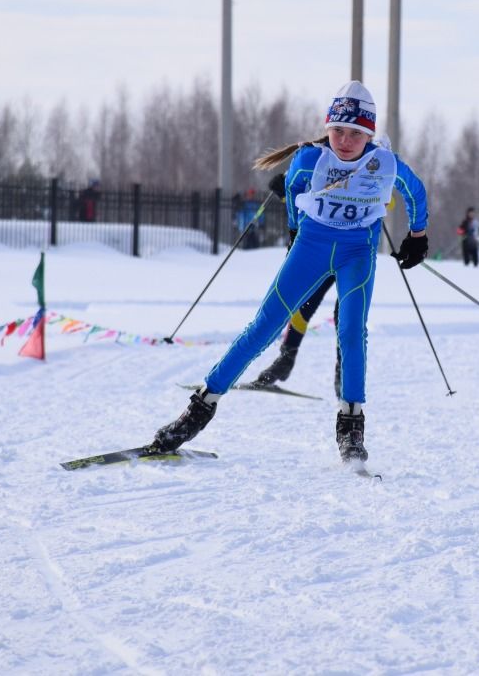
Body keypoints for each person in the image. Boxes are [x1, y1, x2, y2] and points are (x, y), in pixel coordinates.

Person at [150, 81, 429, 463]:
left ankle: (351, 428)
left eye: (356, 133)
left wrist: (418, 235)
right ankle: (199, 409)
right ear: (327, 128)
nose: (345, 141)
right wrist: (297, 232)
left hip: (357, 253)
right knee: (263, 326)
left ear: (370, 134)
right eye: (338, 131)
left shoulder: (384, 164)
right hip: (311, 247)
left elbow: (415, 192)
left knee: (350, 331)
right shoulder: (311, 159)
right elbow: (296, 189)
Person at [251, 169, 342, 393]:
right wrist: (286, 191)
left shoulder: (369, 161)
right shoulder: (321, 162)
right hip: (321, 251)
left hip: (353, 254)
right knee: (304, 306)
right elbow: (305, 202)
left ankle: (345, 371)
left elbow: (386, 204)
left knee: (346, 316)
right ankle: (286, 360)